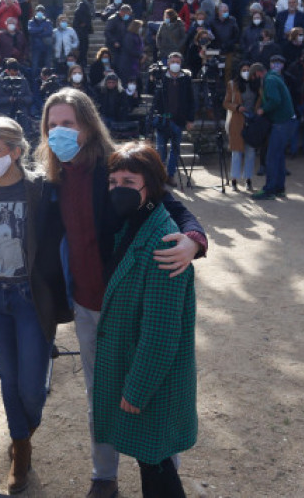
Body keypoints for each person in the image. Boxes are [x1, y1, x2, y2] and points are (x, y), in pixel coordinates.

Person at [35, 88, 206, 498]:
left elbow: (170, 201)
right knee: (100, 397)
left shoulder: (110, 169)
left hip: (126, 304)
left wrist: (193, 239)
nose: (59, 132)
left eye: (68, 124)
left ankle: (165, 470)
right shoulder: (50, 180)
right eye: (52, 125)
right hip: (86, 306)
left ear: (88, 126)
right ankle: (104, 476)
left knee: (151, 391)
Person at [0, 116, 71, 492]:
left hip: (31, 300)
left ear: (15, 151)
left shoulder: (42, 190)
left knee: (33, 389)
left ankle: (23, 430)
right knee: (9, 379)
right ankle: (21, 448)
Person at [93, 141, 196, 498]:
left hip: (150, 382)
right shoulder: (133, 224)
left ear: (149, 186)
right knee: (149, 459)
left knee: (156, 464)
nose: (118, 188)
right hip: (135, 369)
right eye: (113, 181)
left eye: (128, 181)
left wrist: (137, 388)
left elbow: (162, 331)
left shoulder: (165, 242)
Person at [252, 57, 296, 200]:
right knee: (279, 157)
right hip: (287, 122)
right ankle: (279, 188)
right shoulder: (275, 77)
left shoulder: (269, 81)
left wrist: (262, 110)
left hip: (281, 123)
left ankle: (269, 190)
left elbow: (275, 100)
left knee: (271, 157)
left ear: (258, 74)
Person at [151, 52, 194, 180]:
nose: (175, 64)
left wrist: (190, 119)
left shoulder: (185, 79)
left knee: (175, 150)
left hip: (178, 120)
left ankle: (170, 175)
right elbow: (153, 95)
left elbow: (191, 100)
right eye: (173, 61)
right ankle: (160, 175)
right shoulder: (161, 78)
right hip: (163, 119)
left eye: (178, 62)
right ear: (168, 63)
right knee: (160, 150)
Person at [223, 62, 257, 192]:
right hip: (237, 121)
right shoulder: (233, 84)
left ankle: (248, 179)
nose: (246, 72)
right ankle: (234, 180)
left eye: (248, 69)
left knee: (250, 152)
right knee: (236, 152)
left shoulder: (256, 84)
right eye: (244, 69)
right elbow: (226, 103)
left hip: (252, 122)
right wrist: (237, 107)